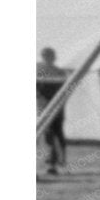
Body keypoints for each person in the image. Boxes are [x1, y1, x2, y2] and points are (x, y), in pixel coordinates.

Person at [37, 46, 68, 174]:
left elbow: (65, 90)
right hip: (42, 107)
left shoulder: (59, 72)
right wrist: (40, 99)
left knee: (57, 133)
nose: (48, 58)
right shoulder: (38, 71)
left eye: (50, 55)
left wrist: (59, 104)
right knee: (46, 134)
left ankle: (58, 161)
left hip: (57, 107)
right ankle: (51, 162)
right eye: (45, 55)